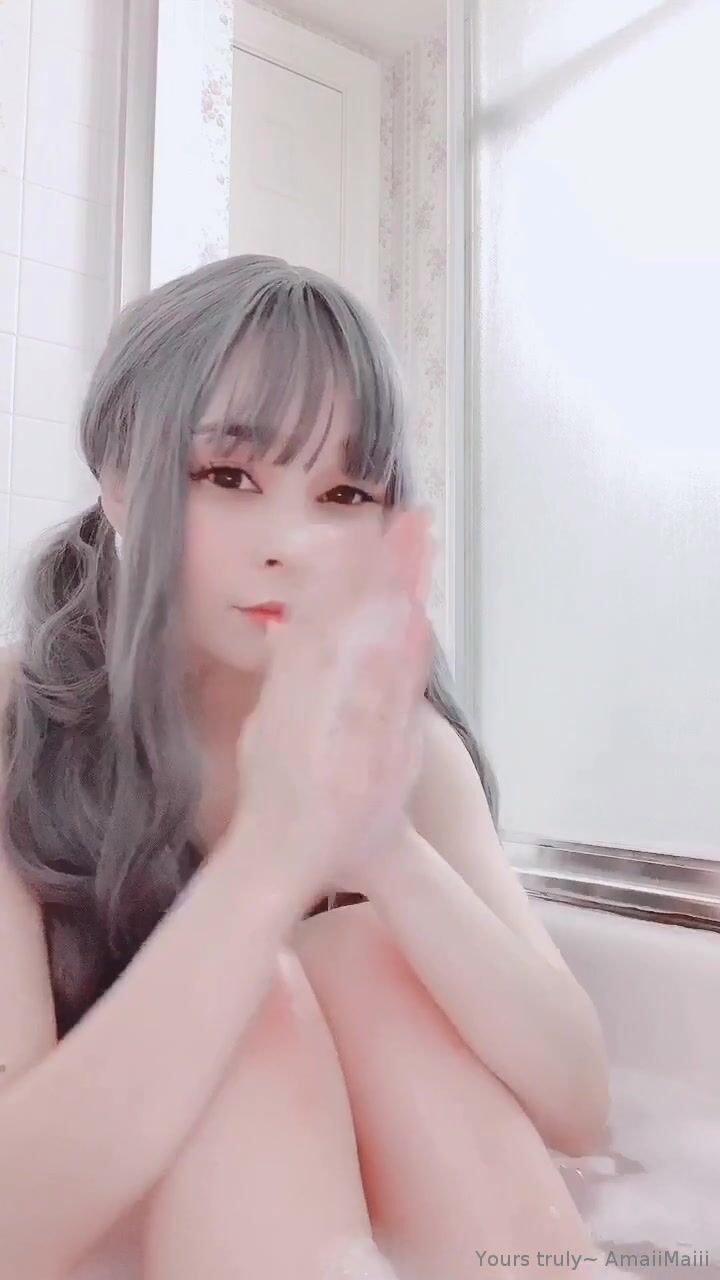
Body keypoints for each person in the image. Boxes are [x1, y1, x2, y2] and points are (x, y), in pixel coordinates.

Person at [0, 255, 610, 1280]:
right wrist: (267, 863)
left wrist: (384, 848)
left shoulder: (404, 743)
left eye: (344, 493)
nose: (290, 541)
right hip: (98, 1226)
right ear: (115, 476)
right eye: (229, 476)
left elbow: (580, 1107)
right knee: (244, 996)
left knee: (367, 950)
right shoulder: (20, 727)